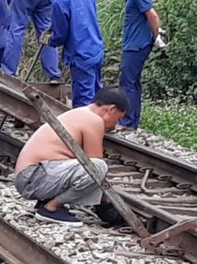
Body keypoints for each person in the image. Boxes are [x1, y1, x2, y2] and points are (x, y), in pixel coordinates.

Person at [13, 87, 128, 226]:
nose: (115, 126)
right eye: (117, 119)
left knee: (92, 167)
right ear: (111, 109)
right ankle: (51, 208)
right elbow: (94, 167)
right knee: (99, 166)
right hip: (34, 177)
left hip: (29, 178)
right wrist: (108, 203)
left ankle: (47, 202)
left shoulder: (79, 113)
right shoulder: (93, 120)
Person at [111, 0, 164, 130]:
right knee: (132, 83)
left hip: (136, 45)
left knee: (128, 82)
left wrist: (157, 37)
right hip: (133, 43)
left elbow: (152, 15)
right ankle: (132, 120)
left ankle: (127, 121)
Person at [47, 0, 104, 107]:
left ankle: (84, 130)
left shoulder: (60, 1)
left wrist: (49, 40)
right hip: (96, 47)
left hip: (80, 54)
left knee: (83, 100)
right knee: (97, 94)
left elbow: (60, 35)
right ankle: (101, 127)